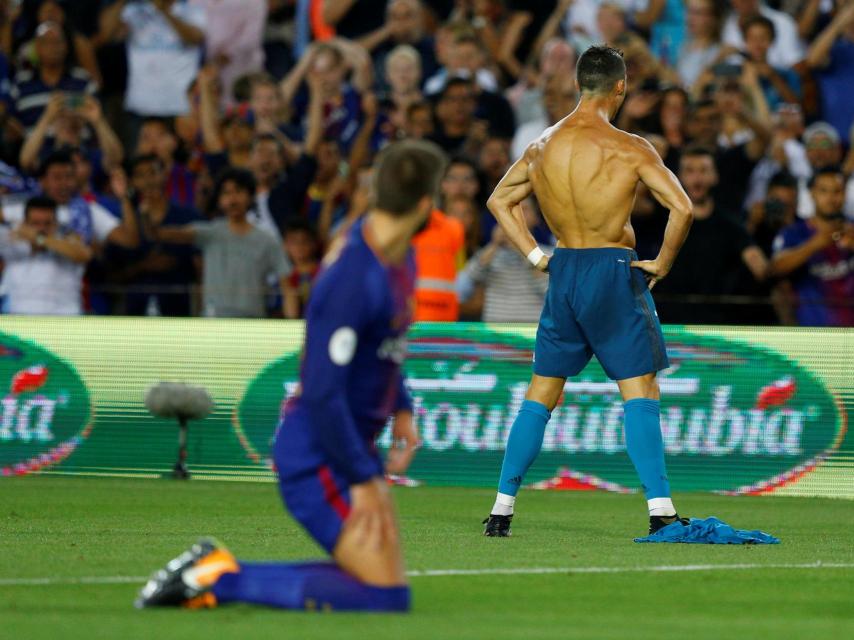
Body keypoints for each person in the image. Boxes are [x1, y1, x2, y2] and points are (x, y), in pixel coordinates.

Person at [135, 139, 446, 612]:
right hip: (318, 457)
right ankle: (215, 579)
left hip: (348, 450)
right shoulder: (353, 276)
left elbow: (386, 345)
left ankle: (214, 573)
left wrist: (401, 407)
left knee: (385, 590)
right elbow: (322, 391)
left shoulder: (399, 256)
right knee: (384, 597)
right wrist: (365, 480)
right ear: (426, 204)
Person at [480, 46, 694, 537]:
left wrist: (537, 257)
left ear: (579, 85)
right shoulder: (630, 147)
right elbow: (682, 208)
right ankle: (661, 511)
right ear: (620, 87)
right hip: (612, 270)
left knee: (542, 392)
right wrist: (661, 262)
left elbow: (499, 200)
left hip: (565, 271)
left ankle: (501, 509)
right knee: (639, 390)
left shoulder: (542, 146)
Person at [149, 168, 290, 318]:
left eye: (238, 191)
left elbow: (288, 286)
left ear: (250, 196)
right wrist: (147, 214)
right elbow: (161, 234)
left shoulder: (267, 240)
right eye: (226, 193)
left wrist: (292, 327)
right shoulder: (210, 233)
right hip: (214, 321)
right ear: (219, 200)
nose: (232, 199)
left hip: (252, 322)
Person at [771, 168, 854, 327]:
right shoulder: (794, 232)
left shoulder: (852, 230)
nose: (831, 198)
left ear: (845, 194)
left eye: (837, 191)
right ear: (812, 193)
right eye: (824, 191)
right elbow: (774, 269)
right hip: (813, 335)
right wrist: (816, 244)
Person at [0, 195, 92, 314]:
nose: (41, 228)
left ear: (56, 224)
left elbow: (84, 255)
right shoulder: (12, 244)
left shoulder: (68, 242)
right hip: (18, 323)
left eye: (47, 223)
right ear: (24, 223)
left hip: (65, 324)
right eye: (35, 223)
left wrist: (40, 239)